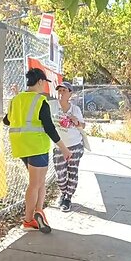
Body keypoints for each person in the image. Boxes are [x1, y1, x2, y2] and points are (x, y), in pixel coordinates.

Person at [3, 68, 72, 233]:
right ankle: (29, 220)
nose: (45, 88)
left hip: (20, 147)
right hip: (37, 146)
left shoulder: (16, 99)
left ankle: (39, 212)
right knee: (35, 184)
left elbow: (7, 121)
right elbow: (49, 127)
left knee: (39, 182)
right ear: (40, 81)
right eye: (45, 84)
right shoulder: (40, 101)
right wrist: (64, 149)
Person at [49, 82, 86, 212]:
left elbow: (83, 125)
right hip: (59, 146)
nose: (61, 93)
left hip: (75, 145)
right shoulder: (51, 105)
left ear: (70, 93)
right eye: (59, 90)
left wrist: (75, 120)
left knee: (72, 172)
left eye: (65, 91)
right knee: (60, 175)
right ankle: (63, 192)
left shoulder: (75, 109)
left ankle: (67, 198)